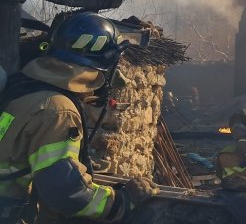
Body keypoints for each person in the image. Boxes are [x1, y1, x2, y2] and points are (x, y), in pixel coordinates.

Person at [0, 12, 158, 223]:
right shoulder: (58, 111)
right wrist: (121, 201)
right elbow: (66, 193)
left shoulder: (22, 89)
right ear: (100, 66)